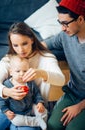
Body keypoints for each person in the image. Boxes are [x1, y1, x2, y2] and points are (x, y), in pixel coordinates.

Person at [0, 22, 65, 130]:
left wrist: (41, 73)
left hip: (32, 111)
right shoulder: (9, 59)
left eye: (24, 43)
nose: (20, 50)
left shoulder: (46, 58)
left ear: (32, 40)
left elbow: (61, 80)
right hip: (6, 109)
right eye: (15, 45)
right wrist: (6, 91)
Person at [42, 0, 85, 130]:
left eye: (65, 23)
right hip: (73, 92)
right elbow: (44, 45)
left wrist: (79, 107)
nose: (62, 28)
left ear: (81, 19)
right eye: (60, 23)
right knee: (52, 125)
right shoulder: (66, 36)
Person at [0, 55, 47, 130]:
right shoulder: (7, 85)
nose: (21, 74)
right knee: (16, 121)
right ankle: (37, 122)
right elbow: (1, 100)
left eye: (25, 71)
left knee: (44, 111)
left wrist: (40, 102)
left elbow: (37, 94)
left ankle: (41, 120)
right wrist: (6, 111)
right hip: (16, 113)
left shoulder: (30, 83)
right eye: (18, 71)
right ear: (11, 72)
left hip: (30, 108)